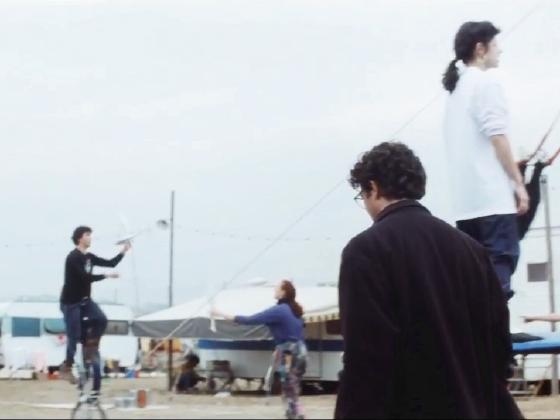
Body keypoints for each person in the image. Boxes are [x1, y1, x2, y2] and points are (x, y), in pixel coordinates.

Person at [335, 142, 522, 419]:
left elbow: (366, 358)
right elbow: (498, 342)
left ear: (372, 187)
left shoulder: (365, 251)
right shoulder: (471, 249)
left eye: (361, 195)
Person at [443, 21, 529, 300]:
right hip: (493, 201)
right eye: (495, 44)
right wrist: (518, 183)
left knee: (474, 283)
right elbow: (497, 136)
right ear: (480, 49)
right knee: (499, 272)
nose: (500, 50)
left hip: (465, 206)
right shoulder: (486, 81)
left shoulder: (455, 91)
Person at [212, 280, 307, 420]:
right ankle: (296, 413)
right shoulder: (295, 310)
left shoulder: (279, 310)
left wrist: (221, 314)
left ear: (283, 292)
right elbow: (296, 329)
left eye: (277, 288)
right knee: (293, 387)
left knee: (288, 387)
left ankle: (296, 415)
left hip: (288, 352)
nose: (274, 290)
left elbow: (251, 319)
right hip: (301, 351)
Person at [59, 226, 130, 396]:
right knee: (74, 335)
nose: (90, 238)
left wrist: (123, 251)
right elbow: (85, 278)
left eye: (90, 235)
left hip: (85, 301)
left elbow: (111, 263)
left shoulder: (89, 257)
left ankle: (91, 345)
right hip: (71, 303)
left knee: (101, 319)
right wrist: (106, 276)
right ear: (79, 238)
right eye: (87, 235)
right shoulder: (73, 258)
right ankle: (67, 367)